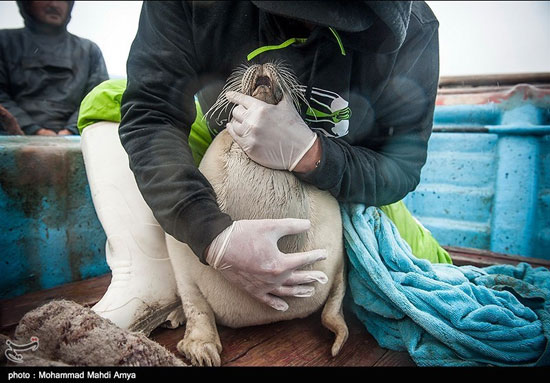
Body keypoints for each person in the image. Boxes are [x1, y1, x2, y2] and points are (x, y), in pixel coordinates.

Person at [85, 1, 442, 332]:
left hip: (345, 182)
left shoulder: (415, 27)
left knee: (437, 268)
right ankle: (149, 278)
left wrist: (311, 153)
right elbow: (153, 110)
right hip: (224, 147)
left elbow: (402, 167)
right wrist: (210, 234)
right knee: (108, 97)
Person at [0, 1, 108, 136]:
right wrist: (34, 130)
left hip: (76, 138)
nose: (55, 4)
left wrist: (71, 131)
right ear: (26, 3)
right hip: (13, 137)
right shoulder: (4, 42)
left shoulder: (89, 50)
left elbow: (98, 97)